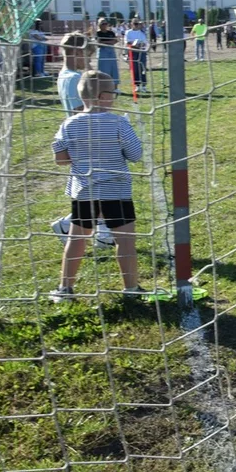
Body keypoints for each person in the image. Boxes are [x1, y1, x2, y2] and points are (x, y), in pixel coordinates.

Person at [49, 70, 144, 302]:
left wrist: (82, 155)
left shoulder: (69, 123)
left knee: (77, 239)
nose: (115, 96)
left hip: (84, 192)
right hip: (117, 192)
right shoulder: (119, 123)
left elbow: (60, 159)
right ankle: (131, 289)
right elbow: (136, 154)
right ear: (102, 96)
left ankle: (65, 289)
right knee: (125, 242)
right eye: (113, 92)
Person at [51, 33, 116, 249]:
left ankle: (70, 225)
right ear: (76, 52)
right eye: (87, 55)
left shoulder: (65, 75)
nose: (89, 61)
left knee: (95, 189)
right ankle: (101, 232)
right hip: (86, 140)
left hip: (82, 140)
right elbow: (81, 111)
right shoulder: (72, 79)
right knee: (102, 186)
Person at [95, 18, 120, 91]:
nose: (104, 25)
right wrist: (109, 42)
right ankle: (104, 88)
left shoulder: (111, 32)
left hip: (111, 52)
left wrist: (105, 42)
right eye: (102, 24)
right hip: (103, 52)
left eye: (106, 23)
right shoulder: (98, 33)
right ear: (99, 25)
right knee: (104, 70)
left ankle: (115, 88)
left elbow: (115, 40)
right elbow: (98, 43)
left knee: (114, 69)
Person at [125, 19, 149, 91]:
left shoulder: (142, 33)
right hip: (133, 52)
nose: (136, 25)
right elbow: (127, 42)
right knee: (135, 69)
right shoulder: (128, 32)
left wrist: (141, 45)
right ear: (131, 24)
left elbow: (145, 42)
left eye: (137, 24)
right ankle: (137, 85)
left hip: (142, 51)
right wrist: (134, 45)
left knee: (142, 68)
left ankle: (144, 85)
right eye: (134, 24)